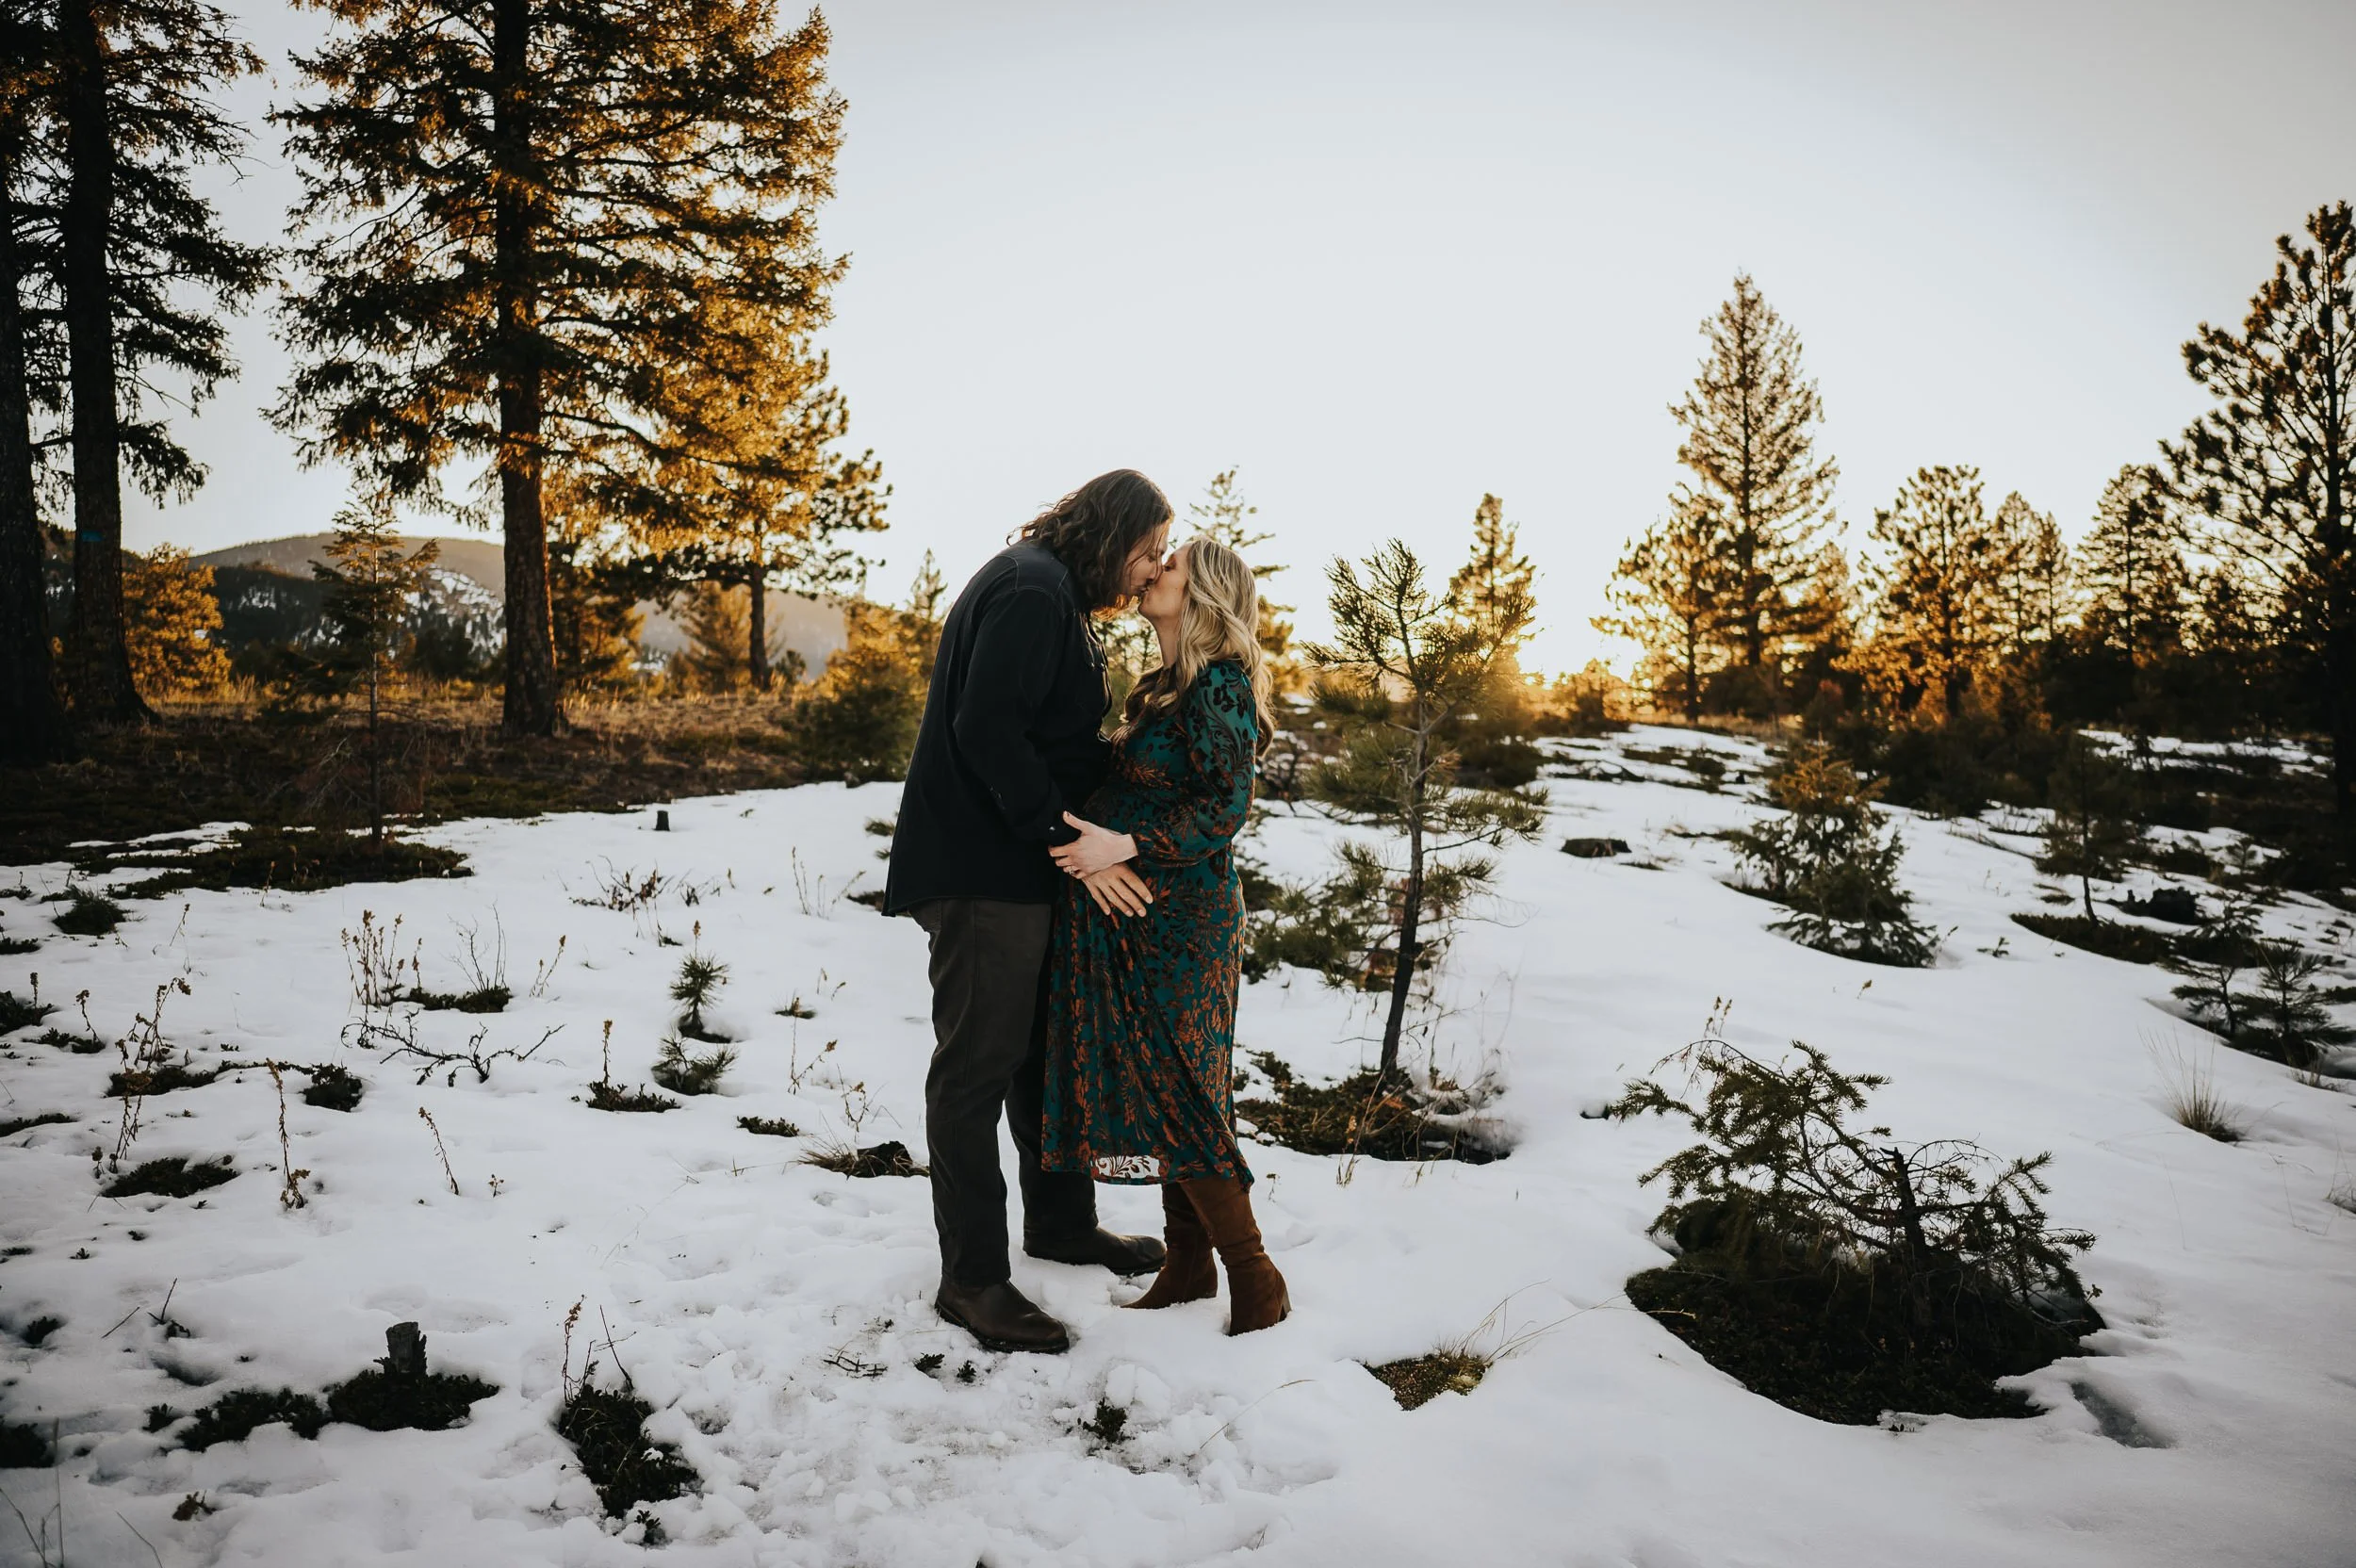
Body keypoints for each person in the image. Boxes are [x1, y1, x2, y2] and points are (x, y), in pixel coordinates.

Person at [884, 469, 1174, 1356]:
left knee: (1040, 1059)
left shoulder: (1056, 595)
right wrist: (1060, 834)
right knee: (975, 1070)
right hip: (982, 872)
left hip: (1024, 869)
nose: (1151, 570)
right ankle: (972, 1279)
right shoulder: (1029, 588)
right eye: (1149, 550)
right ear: (1111, 530)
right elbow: (987, 729)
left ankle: (1059, 1223)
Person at [1039, 538, 1290, 1335]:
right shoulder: (1166, 686)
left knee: (1183, 1086)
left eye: (1171, 564)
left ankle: (1255, 1276)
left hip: (1182, 920)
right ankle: (1188, 1265)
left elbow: (1226, 807)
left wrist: (1124, 845)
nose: (1153, 572)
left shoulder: (1219, 684)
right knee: (1168, 1081)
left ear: (1206, 594)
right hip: (1141, 919)